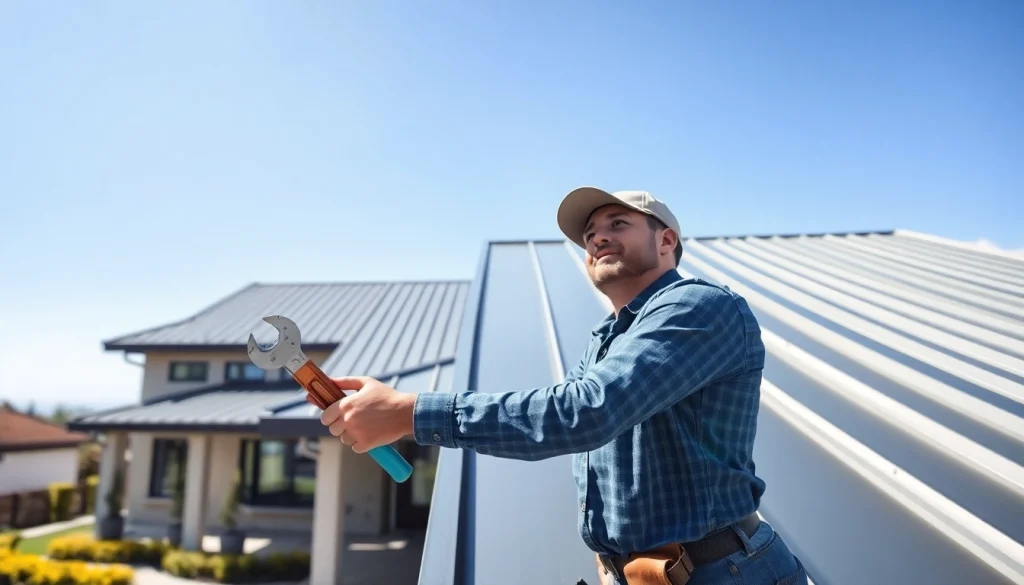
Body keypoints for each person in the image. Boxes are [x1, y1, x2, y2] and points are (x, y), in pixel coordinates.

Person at [314, 187, 808, 585]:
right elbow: (566, 430)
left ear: (666, 241)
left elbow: (583, 414)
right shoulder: (605, 340)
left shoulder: (699, 307)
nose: (598, 239)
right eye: (590, 234)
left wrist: (411, 412)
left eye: (618, 224)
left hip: (724, 572)